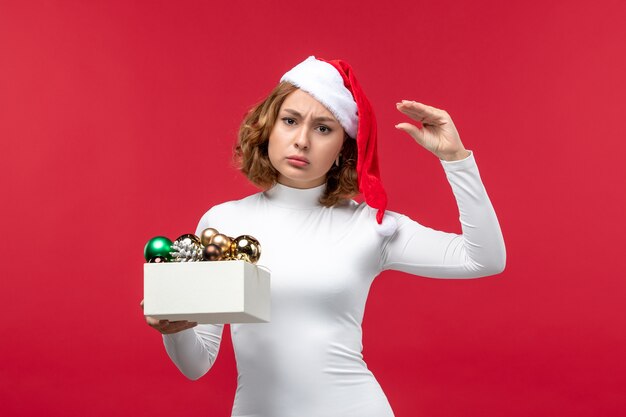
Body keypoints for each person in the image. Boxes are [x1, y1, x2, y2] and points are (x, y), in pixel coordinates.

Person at [142, 56, 506, 417]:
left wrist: (456, 159)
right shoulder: (223, 222)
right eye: (290, 121)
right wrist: (175, 329)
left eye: (323, 128)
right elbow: (197, 364)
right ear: (268, 127)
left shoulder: (372, 226)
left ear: (342, 150)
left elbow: (484, 258)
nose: (301, 140)